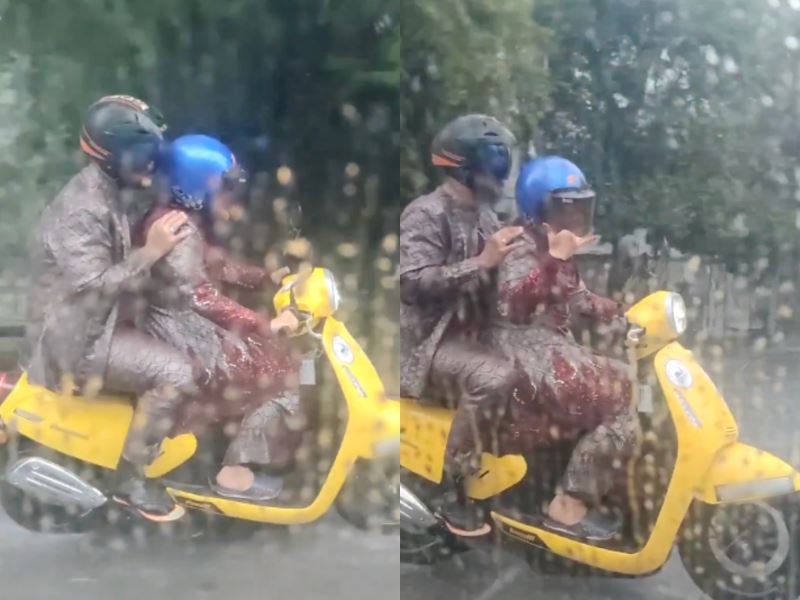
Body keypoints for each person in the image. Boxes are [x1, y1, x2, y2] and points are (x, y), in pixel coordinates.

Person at [22, 95, 194, 520]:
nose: (151, 161)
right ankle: (132, 479)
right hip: (76, 339)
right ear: (113, 156)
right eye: (142, 153)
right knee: (176, 373)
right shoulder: (82, 211)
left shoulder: (109, 189)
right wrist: (152, 251)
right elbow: (94, 289)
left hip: (98, 321)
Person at [135, 134, 303, 501]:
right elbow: (199, 295)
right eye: (225, 188)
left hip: (178, 321)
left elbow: (218, 266)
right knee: (276, 369)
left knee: (266, 358)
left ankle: (219, 445)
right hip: (176, 328)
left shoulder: (181, 220)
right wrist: (266, 324)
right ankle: (233, 471)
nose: (232, 198)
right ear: (196, 187)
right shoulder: (180, 228)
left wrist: (267, 277)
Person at [490, 155, 640, 541]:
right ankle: (567, 507)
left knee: (627, 379)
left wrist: (624, 312)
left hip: (550, 348)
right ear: (538, 209)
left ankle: (602, 488)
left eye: (580, 209)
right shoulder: (520, 245)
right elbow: (513, 302)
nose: (575, 219)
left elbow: (580, 300)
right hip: (519, 349)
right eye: (565, 210)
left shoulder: (555, 246)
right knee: (623, 391)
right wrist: (555, 259)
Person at [400, 114, 533, 535]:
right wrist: (483, 261)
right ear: (463, 167)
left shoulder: (485, 216)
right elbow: (411, 282)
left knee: (541, 364)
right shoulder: (425, 213)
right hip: (429, 342)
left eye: (502, 163)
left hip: (474, 334)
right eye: (494, 163)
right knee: (495, 377)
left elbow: (500, 277)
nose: (501, 174)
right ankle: (450, 483)